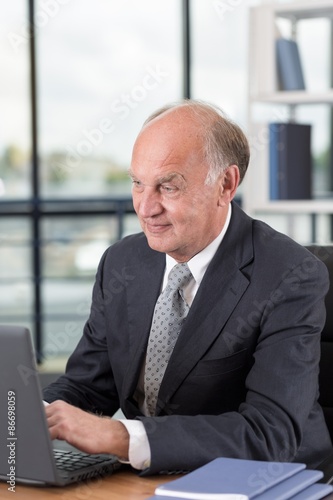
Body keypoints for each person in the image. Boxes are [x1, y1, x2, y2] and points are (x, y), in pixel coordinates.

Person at [44, 99, 333, 475]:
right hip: (149, 477)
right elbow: (86, 387)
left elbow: (269, 434)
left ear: (225, 184)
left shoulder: (290, 275)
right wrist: (27, 421)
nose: (146, 208)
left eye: (168, 186)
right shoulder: (122, 262)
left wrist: (120, 437)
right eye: (137, 183)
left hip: (268, 481)